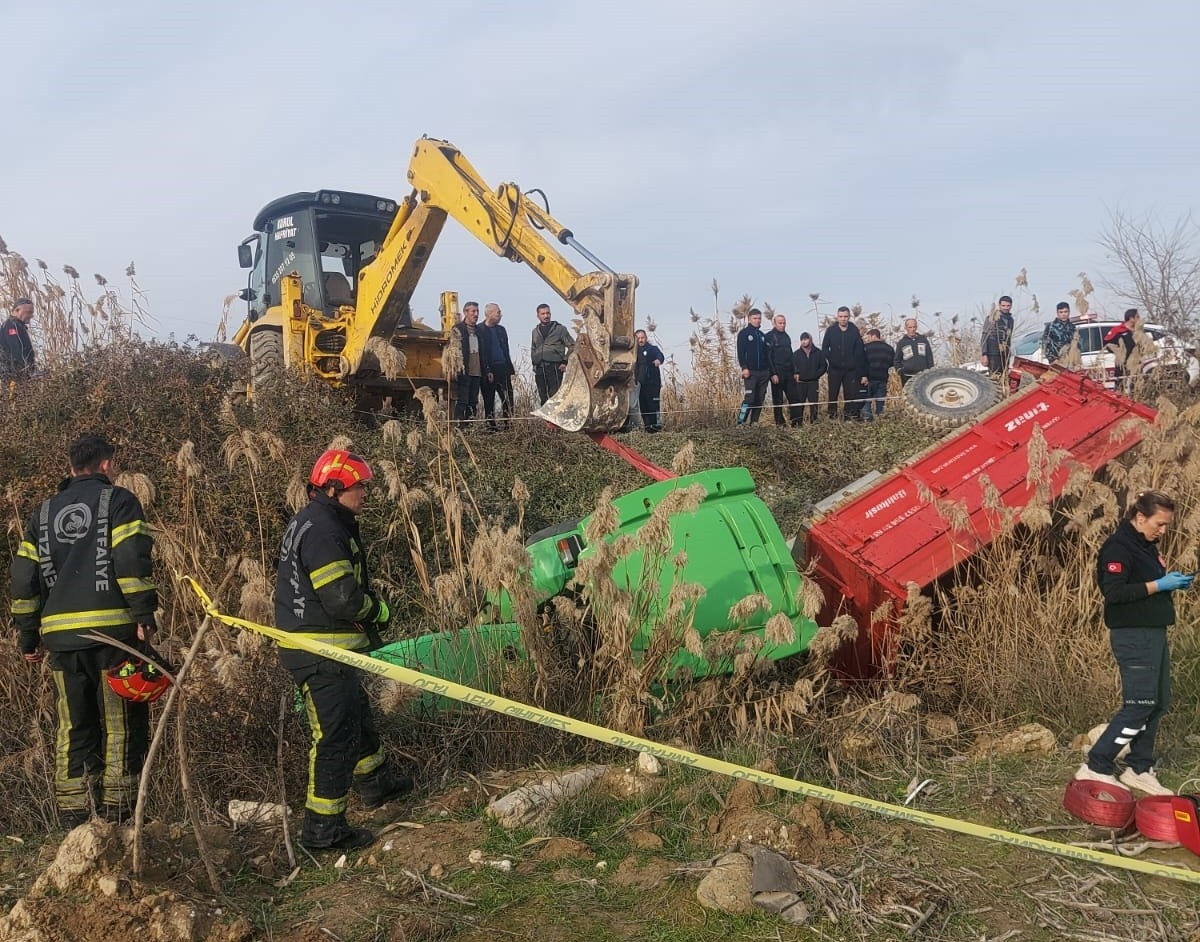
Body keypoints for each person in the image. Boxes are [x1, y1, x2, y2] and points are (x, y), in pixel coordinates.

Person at [9, 434, 158, 827]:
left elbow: (24, 580)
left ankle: (76, 823)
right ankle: (119, 818)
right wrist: (144, 617)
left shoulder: (42, 514)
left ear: (72, 466)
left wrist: (27, 638)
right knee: (120, 725)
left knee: (74, 726)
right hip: (113, 638)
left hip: (60, 642)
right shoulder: (119, 501)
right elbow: (130, 560)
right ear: (107, 464)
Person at [276, 449, 412, 850]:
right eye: (359, 487)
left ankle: (376, 784)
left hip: (327, 648)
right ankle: (323, 829)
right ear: (334, 489)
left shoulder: (318, 519)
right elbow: (341, 598)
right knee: (334, 736)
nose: (366, 493)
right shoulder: (323, 529)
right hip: (321, 652)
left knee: (356, 716)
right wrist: (380, 611)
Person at [1076, 491, 1193, 797]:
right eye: (1160, 523)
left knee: (1159, 701)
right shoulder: (1118, 546)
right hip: (1133, 636)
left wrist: (1173, 582)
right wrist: (1159, 584)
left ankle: (1139, 768)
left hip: (1154, 632)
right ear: (1140, 518)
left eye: (1167, 525)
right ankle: (1096, 765)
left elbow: (1143, 587)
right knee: (1139, 705)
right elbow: (1114, 593)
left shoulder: (1146, 545)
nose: (1163, 531)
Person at [821, 306, 866, 420]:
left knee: (849, 394)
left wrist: (854, 362)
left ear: (849, 317)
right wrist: (831, 360)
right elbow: (825, 347)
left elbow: (859, 350)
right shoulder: (831, 330)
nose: (843, 319)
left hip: (850, 369)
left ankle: (848, 417)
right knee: (833, 394)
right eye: (841, 317)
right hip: (834, 369)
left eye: (845, 316)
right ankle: (832, 417)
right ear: (837, 317)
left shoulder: (854, 330)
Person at [479, 303, 514, 431]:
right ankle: (491, 426)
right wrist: (487, 369)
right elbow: (481, 353)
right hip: (489, 370)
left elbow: (506, 349)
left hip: (503, 368)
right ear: (489, 314)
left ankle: (509, 425)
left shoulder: (501, 330)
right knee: (489, 399)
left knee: (508, 398)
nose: (500, 314)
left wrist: (509, 368)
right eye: (498, 312)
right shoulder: (480, 330)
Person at [530, 303, 574, 405]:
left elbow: (572, 346)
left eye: (548, 313)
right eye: (543, 313)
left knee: (555, 397)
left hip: (555, 367)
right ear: (538, 316)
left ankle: (554, 421)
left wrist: (565, 361)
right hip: (540, 368)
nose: (546, 316)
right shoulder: (535, 331)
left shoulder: (560, 329)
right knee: (543, 397)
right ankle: (545, 421)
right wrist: (534, 364)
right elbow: (533, 348)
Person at [449, 301, 483, 424]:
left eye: (477, 311)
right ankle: (459, 426)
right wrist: (453, 368)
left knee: (473, 402)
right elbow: (452, 351)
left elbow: (483, 352)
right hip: (464, 371)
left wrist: (487, 370)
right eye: (473, 311)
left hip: (477, 371)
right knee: (462, 400)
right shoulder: (458, 329)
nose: (476, 314)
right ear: (466, 313)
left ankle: (470, 427)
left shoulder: (480, 331)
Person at [735, 308, 770, 425]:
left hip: (763, 372)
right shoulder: (744, 334)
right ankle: (741, 422)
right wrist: (744, 367)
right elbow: (741, 352)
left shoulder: (762, 335)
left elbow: (767, 354)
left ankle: (754, 422)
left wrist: (769, 371)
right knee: (750, 398)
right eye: (755, 318)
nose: (757, 320)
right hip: (750, 372)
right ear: (749, 319)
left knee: (759, 399)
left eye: (759, 318)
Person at [790, 332, 827, 426]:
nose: (804, 341)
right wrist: (795, 373)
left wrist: (816, 375)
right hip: (800, 383)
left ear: (810, 340)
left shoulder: (818, 352)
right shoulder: (796, 354)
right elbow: (792, 367)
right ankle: (798, 424)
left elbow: (824, 366)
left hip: (813, 382)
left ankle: (814, 423)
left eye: (806, 339)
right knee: (799, 404)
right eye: (802, 339)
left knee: (814, 404)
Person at [764, 314, 795, 427]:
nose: (782, 325)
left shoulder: (786, 336)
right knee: (778, 400)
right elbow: (768, 357)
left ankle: (795, 421)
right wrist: (773, 373)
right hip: (777, 372)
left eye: (784, 323)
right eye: (780, 323)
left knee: (794, 398)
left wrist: (795, 371)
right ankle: (780, 423)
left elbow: (791, 355)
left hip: (789, 372)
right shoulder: (769, 336)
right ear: (774, 323)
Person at [861, 328, 895, 420]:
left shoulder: (865, 348)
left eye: (868, 337)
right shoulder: (889, 348)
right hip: (882, 378)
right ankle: (880, 419)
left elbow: (861, 362)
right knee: (880, 402)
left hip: (868, 379)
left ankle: (868, 420)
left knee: (866, 401)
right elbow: (893, 363)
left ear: (873, 336)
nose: (867, 339)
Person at [634, 330, 664, 432]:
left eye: (642, 338)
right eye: (638, 338)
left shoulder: (652, 349)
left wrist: (658, 360)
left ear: (646, 338)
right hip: (640, 384)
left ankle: (656, 426)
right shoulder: (633, 352)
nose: (640, 340)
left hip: (653, 383)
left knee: (653, 405)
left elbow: (661, 356)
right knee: (643, 406)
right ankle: (648, 428)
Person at [1, 297, 36, 380]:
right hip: (13, 376)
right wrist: (27, 372)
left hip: (16, 374)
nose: (31, 316)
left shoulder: (17, 325)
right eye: (28, 312)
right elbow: (17, 351)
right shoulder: (12, 326)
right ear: (17, 310)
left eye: (32, 313)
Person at [1104, 308, 1140, 388]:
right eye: (1137, 317)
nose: (1139, 319)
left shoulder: (1138, 331)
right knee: (1120, 385)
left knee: (1135, 385)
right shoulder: (1118, 330)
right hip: (1121, 363)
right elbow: (1107, 343)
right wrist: (1117, 351)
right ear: (1131, 318)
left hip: (1135, 362)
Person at [980, 295, 1014, 380]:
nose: (1006, 308)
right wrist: (984, 354)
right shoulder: (992, 318)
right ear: (999, 306)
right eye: (1003, 306)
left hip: (1005, 353)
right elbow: (984, 336)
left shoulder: (1010, 320)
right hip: (993, 352)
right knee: (995, 377)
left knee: (1004, 377)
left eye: (1008, 306)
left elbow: (1009, 337)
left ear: (1011, 306)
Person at [893, 318, 934, 384]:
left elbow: (929, 357)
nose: (912, 329)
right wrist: (900, 371)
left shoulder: (923, 340)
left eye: (914, 327)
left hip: (923, 375)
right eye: (910, 327)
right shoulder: (902, 343)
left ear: (916, 327)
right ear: (906, 328)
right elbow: (897, 360)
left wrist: (930, 371)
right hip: (907, 376)